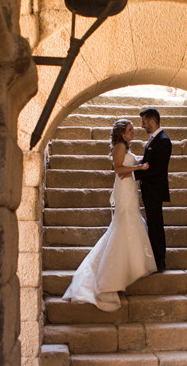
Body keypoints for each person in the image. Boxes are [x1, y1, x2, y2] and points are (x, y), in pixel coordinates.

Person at [62, 119, 157, 311]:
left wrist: (137, 165)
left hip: (129, 189)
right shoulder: (119, 146)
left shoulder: (124, 146)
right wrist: (138, 168)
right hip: (124, 189)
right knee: (124, 223)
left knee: (131, 222)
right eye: (130, 130)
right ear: (122, 133)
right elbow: (118, 170)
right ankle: (112, 275)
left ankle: (133, 264)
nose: (133, 132)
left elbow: (124, 167)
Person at [134, 107, 172, 271]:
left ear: (152, 121)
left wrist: (136, 175)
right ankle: (155, 258)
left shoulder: (163, 140)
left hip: (155, 190)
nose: (142, 126)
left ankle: (159, 260)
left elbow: (158, 168)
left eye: (143, 122)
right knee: (153, 223)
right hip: (149, 189)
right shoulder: (153, 139)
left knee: (156, 224)